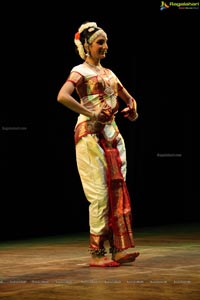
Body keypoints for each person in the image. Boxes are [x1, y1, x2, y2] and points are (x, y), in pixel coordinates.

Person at [57, 21, 140, 267]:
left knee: (117, 192)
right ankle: (97, 254)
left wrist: (133, 109)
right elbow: (62, 96)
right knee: (100, 195)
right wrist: (92, 114)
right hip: (90, 135)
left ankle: (117, 250)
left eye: (106, 42)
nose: (105, 46)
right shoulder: (79, 71)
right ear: (86, 46)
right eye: (100, 43)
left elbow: (130, 99)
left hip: (113, 135)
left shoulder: (110, 73)